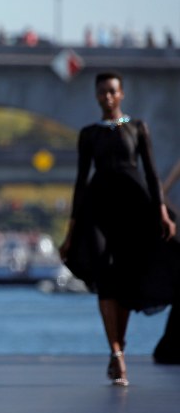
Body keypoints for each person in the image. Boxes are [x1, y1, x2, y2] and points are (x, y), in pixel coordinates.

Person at [59, 71, 179, 386]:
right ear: (97, 96)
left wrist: (163, 213)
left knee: (124, 280)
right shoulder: (88, 134)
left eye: (112, 91)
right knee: (104, 275)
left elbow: (152, 175)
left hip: (135, 210)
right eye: (102, 92)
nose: (107, 97)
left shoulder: (139, 128)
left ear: (121, 94)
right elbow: (80, 182)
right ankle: (115, 352)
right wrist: (71, 232)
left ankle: (119, 349)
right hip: (98, 210)